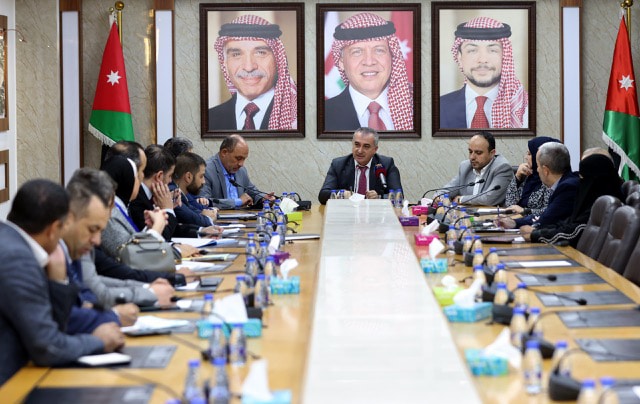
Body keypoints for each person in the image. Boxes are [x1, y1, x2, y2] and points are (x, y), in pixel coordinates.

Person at [0, 179, 123, 385]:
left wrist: (58, 279)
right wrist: (99, 341)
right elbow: (48, 347)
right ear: (54, 228)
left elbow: (51, 329)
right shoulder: (17, 259)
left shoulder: (9, 240)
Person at [61, 168, 174, 311]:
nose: (97, 241)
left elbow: (94, 282)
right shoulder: (55, 251)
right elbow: (97, 293)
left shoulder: (82, 239)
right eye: (93, 229)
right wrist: (150, 292)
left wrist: (147, 287)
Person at [325, 12, 413, 131]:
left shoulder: (422, 106)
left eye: (379, 50)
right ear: (341, 62)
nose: (369, 61)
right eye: (357, 52)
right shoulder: (322, 116)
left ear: (392, 56)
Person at [209, 14, 297, 130]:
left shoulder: (299, 117)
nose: (249, 67)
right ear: (225, 63)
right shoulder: (209, 119)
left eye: (260, 53)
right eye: (236, 54)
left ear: (278, 60)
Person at [440, 17, 528, 129]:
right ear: (460, 58)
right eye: (472, 50)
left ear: (505, 57)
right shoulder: (438, 107)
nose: (482, 59)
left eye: (493, 50)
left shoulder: (525, 109)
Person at [525, 152, 624, 244]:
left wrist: (537, 235)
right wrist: (539, 231)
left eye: (582, 178)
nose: (581, 183)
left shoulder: (604, 204)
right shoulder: (595, 197)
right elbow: (569, 222)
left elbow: (576, 230)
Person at [496, 142, 579, 229]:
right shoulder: (562, 183)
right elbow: (543, 216)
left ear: (546, 170)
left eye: (538, 166)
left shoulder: (567, 188)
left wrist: (520, 225)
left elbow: (547, 219)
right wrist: (514, 223)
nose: (537, 170)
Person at [318, 127, 402, 204]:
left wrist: (379, 197)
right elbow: (323, 195)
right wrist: (342, 194)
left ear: (375, 149)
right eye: (357, 145)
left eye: (366, 146)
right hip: (348, 212)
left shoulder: (386, 164)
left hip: (375, 213)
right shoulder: (338, 164)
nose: (360, 151)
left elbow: (398, 195)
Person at [440, 131, 513, 205]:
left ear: (492, 153)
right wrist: (442, 198)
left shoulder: (502, 168)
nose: (472, 157)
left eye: (478, 153)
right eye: (470, 152)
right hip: (466, 212)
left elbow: (489, 199)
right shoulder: (465, 167)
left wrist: (461, 199)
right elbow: (443, 192)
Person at [199, 134, 271, 209]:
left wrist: (264, 198)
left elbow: (252, 191)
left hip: (241, 215)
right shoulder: (206, 170)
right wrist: (238, 201)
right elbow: (204, 201)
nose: (241, 164)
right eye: (238, 158)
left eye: (244, 159)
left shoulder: (241, 171)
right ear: (224, 152)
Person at [505, 137, 561, 215]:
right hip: (517, 219)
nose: (525, 157)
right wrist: (517, 177)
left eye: (529, 154)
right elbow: (509, 204)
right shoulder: (528, 174)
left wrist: (524, 211)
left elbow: (550, 211)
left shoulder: (550, 179)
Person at [173, 152, 219, 227]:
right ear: (188, 177)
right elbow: (194, 219)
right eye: (201, 176)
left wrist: (207, 213)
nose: (203, 182)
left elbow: (194, 211)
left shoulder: (183, 194)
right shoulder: (173, 193)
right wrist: (207, 217)